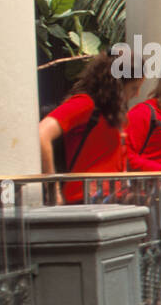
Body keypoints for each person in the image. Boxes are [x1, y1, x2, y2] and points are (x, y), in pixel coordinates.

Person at [38, 51, 142, 204]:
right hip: (84, 202)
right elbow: (42, 133)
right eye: (134, 88)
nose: (137, 94)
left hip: (110, 201)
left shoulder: (110, 113)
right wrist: (54, 191)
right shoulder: (85, 104)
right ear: (118, 85)